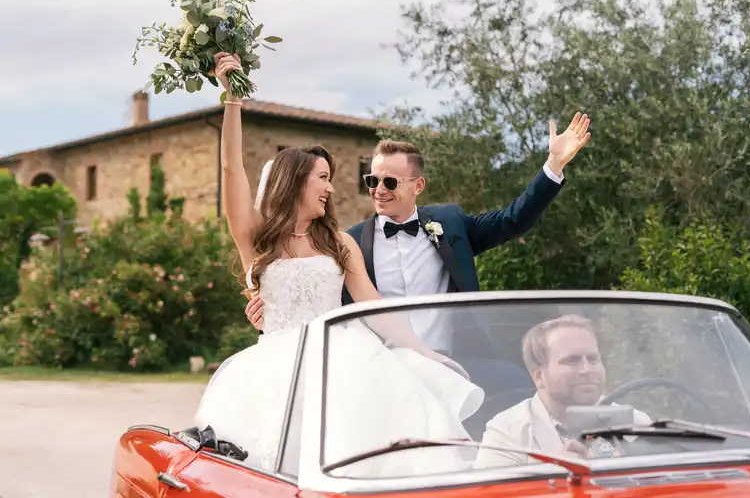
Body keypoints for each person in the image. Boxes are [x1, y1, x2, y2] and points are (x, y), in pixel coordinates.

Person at [193, 52, 484, 476]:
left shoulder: (340, 243)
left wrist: (425, 353)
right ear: (295, 182)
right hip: (275, 368)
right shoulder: (257, 239)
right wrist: (232, 101)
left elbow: (374, 308)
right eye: (323, 177)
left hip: (343, 361)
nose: (331, 187)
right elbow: (231, 168)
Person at [245, 111, 592, 395]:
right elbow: (310, 297)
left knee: (520, 389)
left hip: (457, 361)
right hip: (382, 366)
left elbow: (514, 220)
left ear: (418, 186)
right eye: (372, 181)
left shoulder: (451, 224)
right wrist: (266, 313)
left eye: (390, 182)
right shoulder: (345, 244)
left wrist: (553, 165)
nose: (379, 190)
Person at [473, 315, 651, 468]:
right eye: (571, 361)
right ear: (538, 375)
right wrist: (552, 476)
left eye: (593, 359)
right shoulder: (507, 435)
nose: (586, 369)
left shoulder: (635, 421)